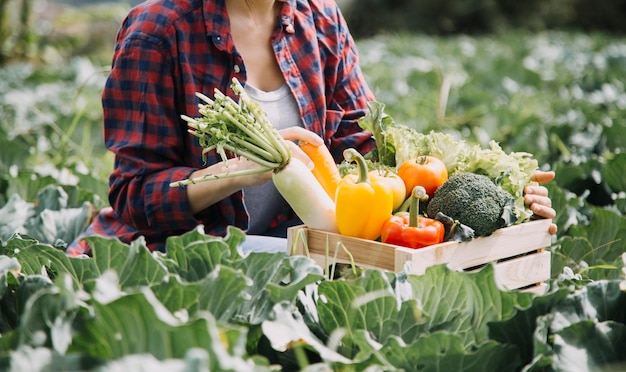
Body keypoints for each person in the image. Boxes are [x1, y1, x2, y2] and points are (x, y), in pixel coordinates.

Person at [67, 0, 556, 256]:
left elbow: (368, 158)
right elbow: (134, 196)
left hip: (300, 255)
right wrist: (235, 174)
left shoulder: (319, 19)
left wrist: (496, 197)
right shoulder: (158, 31)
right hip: (180, 260)